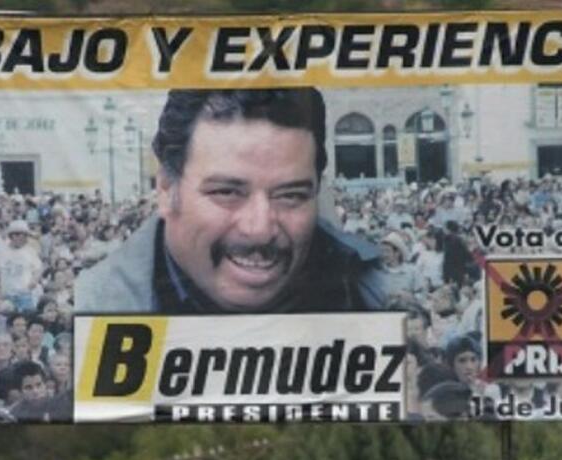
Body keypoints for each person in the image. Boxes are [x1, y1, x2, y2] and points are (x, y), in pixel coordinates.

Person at [75, 88, 377, 314]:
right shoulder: (94, 305)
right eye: (227, 192)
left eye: (290, 195)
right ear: (167, 190)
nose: (259, 229)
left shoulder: (375, 292)